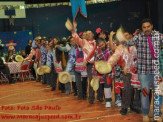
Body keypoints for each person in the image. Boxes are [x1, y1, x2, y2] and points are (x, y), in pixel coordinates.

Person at [128, 18, 163, 121]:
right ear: (142, 28)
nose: (146, 29)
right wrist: (121, 39)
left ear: (152, 26)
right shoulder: (138, 38)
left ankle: (158, 114)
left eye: (148, 26)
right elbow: (126, 44)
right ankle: (145, 114)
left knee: (158, 92)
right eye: (144, 27)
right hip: (143, 72)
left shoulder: (159, 36)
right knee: (144, 93)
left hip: (157, 71)